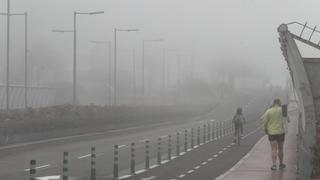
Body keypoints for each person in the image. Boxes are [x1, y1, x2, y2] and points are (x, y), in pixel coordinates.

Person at [263, 98, 286, 170]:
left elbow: (265, 122)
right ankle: (281, 164)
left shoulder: (268, 111)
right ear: (279, 102)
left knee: (273, 149)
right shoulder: (283, 110)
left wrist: (265, 130)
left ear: (273, 103)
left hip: (272, 133)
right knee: (281, 148)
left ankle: (274, 165)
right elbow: (288, 119)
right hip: (281, 132)